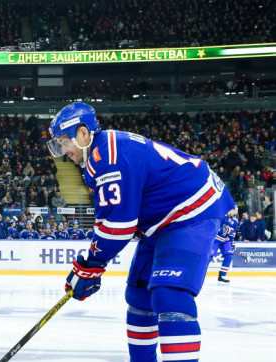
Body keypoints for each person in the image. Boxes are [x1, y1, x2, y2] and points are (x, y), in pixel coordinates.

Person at [47, 102, 235, 362]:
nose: (63, 150)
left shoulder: (108, 156)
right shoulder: (100, 156)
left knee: (169, 294)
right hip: (162, 221)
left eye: (64, 141)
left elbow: (117, 227)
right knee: (139, 293)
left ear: (83, 133)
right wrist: (92, 263)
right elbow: (120, 219)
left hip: (193, 210)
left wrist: (91, 264)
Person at [212, 209, 238, 283]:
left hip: (226, 240)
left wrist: (232, 243)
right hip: (216, 239)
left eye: (235, 211)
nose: (234, 212)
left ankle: (222, 275)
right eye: (233, 210)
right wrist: (224, 229)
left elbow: (233, 233)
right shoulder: (222, 217)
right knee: (209, 257)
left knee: (229, 256)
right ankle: (201, 273)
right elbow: (214, 228)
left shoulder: (235, 221)